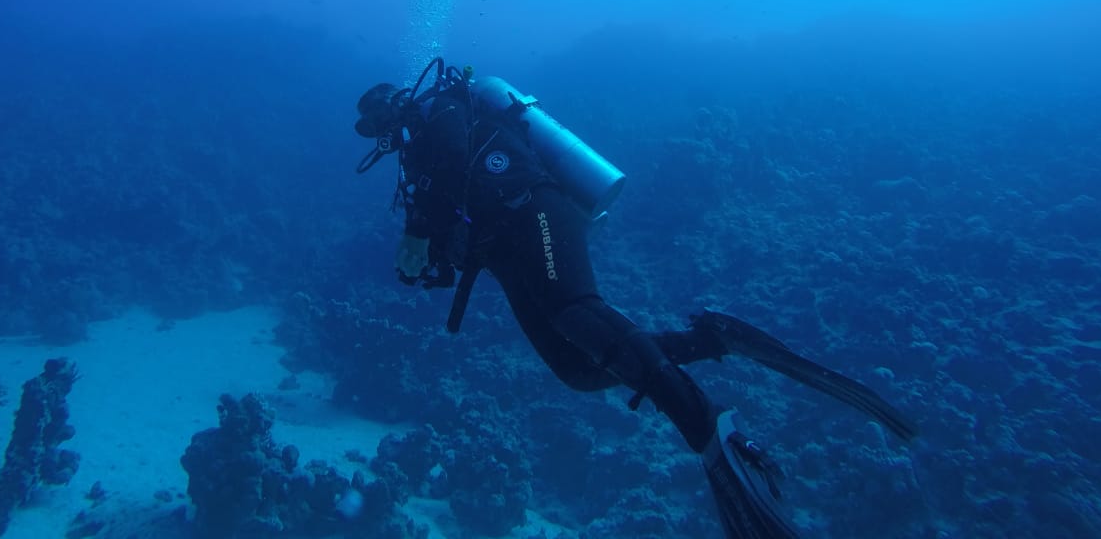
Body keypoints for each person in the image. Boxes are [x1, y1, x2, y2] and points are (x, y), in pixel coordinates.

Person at [354, 58, 916, 539]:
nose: (378, 131)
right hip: (506, 254)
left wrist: (418, 229)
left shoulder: (443, 110)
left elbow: (456, 161)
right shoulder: (419, 160)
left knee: (578, 312)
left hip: (538, 212)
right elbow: (450, 217)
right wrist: (428, 255)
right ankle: (710, 339)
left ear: (398, 103)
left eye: (378, 117)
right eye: (371, 126)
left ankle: (704, 426)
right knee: (577, 370)